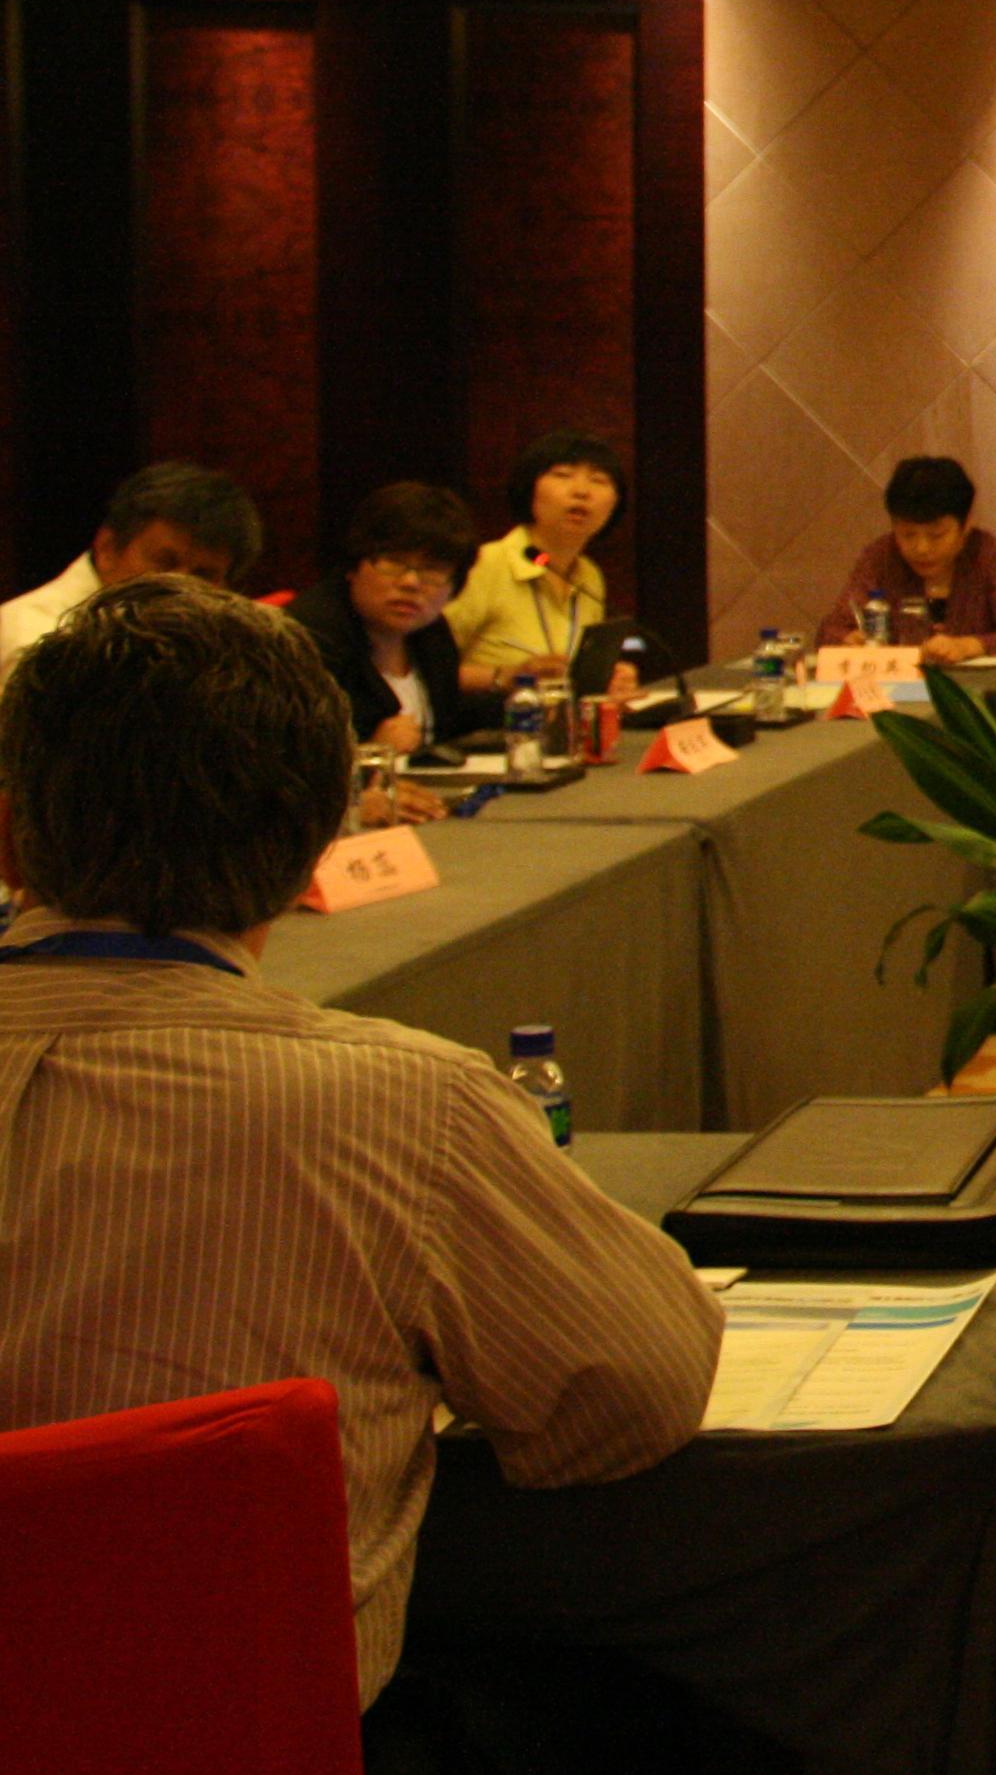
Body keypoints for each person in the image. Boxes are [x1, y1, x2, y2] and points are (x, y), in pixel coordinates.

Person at [0, 576, 720, 1707]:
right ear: (312, 846)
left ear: (7, 834)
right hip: (237, 1752)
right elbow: (631, 1392)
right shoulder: (405, 1106)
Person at [290, 483, 502, 751]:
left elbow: (450, 724)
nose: (410, 582)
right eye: (393, 561)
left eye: (432, 569)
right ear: (353, 565)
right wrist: (371, 752)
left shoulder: (432, 634)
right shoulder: (310, 637)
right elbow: (291, 756)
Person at [0, 460, 261, 677]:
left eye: (203, 575)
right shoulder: (37, 643)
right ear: (108, 548)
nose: (181, 588)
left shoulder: (222, 655)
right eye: (165, 563)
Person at [446, 428, 626, 695]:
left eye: (598, 480)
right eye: (562, 475)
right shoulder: (484, 565)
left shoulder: (589, 576)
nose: (582, 491)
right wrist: (503, 677)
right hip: (488, 718)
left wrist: (607, 678)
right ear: (529, 489)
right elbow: (423, 671)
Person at [816, 456, 996, 662]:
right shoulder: (881, 557)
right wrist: (846, 640)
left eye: (936, 535)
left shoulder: (992, 556)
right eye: (908, 534)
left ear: (967, 523)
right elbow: (830, 630)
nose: (922, 548)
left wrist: (969, 646)